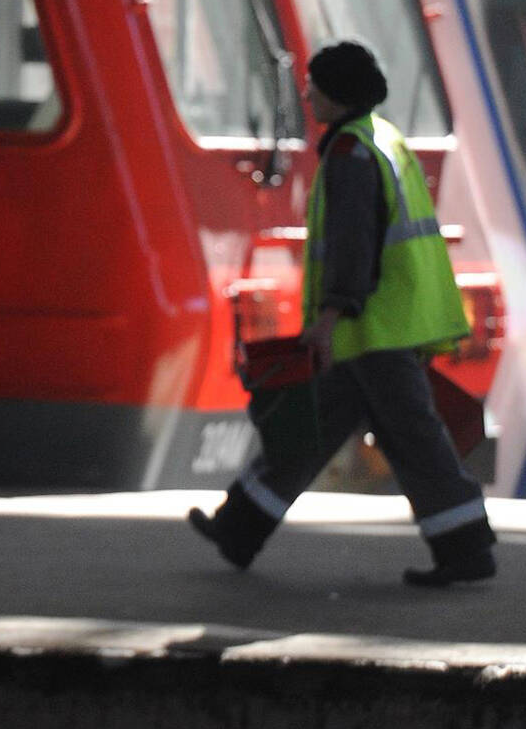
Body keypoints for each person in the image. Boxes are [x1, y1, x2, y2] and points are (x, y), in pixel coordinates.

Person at [189, 39, 496, 587]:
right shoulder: (383, 137)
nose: (307, 94)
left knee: (414, 438)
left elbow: (354, 244)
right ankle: (239, 527)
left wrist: (330, 316)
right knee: (312, 428)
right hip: (380, 326)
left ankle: (467, 545)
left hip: (371, 328)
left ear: (337, 93)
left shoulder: (352, 153)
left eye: (315, 85)